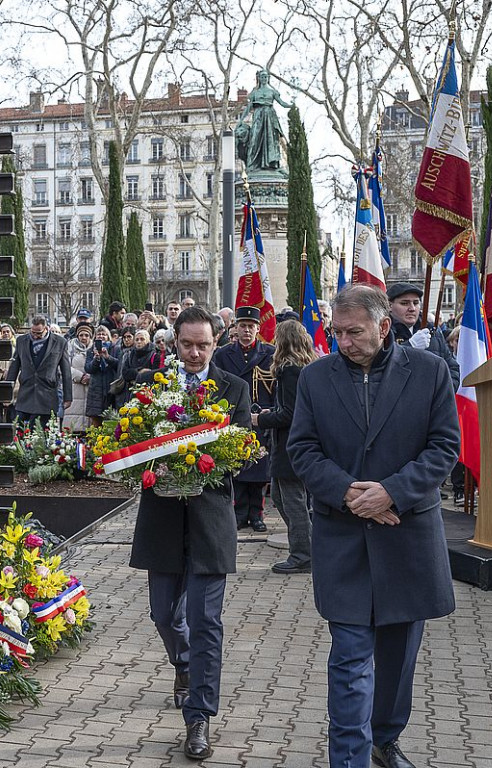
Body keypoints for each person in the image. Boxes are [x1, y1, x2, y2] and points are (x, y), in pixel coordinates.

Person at [287, 285, 459, 768]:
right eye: (336, 332)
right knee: (349, 659)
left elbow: (444, 447)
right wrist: (348, 494)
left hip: (407, 538)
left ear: (384, 327)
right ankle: (349, 758)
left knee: (398, 659)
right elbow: (302, 450)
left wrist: (392, 492)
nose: (343, 341)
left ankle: (384, 740)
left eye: (354, 332)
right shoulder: (315, 378)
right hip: (342, 540)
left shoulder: (429, 373)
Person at [129, 305, 252, 761]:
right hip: (161, 518)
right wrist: (150, 461)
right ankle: (183, 666)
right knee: (164, 615)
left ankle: (198, 718)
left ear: (215, 343)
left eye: (203, 344)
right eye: (187, 344)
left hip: (211, 520)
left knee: (206, 622)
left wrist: (209, 455)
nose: (195, 352)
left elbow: (241, 450)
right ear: (173, 343)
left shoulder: (234, 388)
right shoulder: (150, 386)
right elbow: (129, 442)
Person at [255, 320, 315, 574]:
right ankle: (307, 546)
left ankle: (303, 554)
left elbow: (290, 414)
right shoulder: (304, 366)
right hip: (292, 443)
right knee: (282, 497)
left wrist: (262, 418)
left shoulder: (290, 369)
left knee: (292, 501)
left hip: (291, 445)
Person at [212, 306, 275, 532]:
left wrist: (273, 411)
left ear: (258, 329)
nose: (247, 331)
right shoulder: (223, 354)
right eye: (243, 326)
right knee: (237, 465)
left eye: (251, 326)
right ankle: (239, 513)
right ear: (235, 328)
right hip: (234, 415)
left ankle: (257, 514)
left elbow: (276, 386)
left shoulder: (269, 353)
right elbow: (216, 385)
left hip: (260, 416)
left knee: (259, 468)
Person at [387, 283, 460, 390]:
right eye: (404, 303)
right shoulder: (383, 331)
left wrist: (443, 393)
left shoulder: (432, 330)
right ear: (390, 306)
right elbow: (380, 370)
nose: (412, 308)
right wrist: (409, 347)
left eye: (416, 303)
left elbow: (452, 367)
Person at [5, 315, 72, 428]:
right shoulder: (21, 341)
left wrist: (68, 397)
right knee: (20, 432)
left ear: (46, 329)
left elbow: (66, 372)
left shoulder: (60, 342)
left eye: (39, 333)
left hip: (47, 396)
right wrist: (6, 394)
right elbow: (14, 368)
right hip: (25, 394)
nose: (35, 336)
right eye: (33, 332)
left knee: (41, 435)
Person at [235, 68, 292, 174]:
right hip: (258, 115)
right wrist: (241, 119)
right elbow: (248, 107)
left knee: (270, 139)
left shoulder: (272, 91)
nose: (264, 78)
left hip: (270, 116)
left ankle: (271, 164)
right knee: (255, 138)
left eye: (266, 76)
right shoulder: (255, 92)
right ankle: (252, 164)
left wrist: (291, 106)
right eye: (262, 76)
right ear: (259, 78)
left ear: (268, 78)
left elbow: (282, 103)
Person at [84, 325, 119, 425]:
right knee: (96, 421)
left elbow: (118, 365)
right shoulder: (91, 350)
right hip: (96, 390)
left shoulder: (115, 349)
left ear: (108, 336)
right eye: (99, 334)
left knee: (112, 421)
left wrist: (108, 357)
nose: (101, 336)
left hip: (111, 388)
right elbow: (88, 368)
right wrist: (96, 359)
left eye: (104, 334)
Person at [63, 322, 93, 431]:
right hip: (74, 388)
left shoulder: (95, 349)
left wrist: (91, 377)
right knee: (73, 426)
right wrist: (80, 376)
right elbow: (64, 367)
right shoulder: (69, 347)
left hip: (90, 389)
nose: (84, 338)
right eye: (81, 335)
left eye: (86, 335)